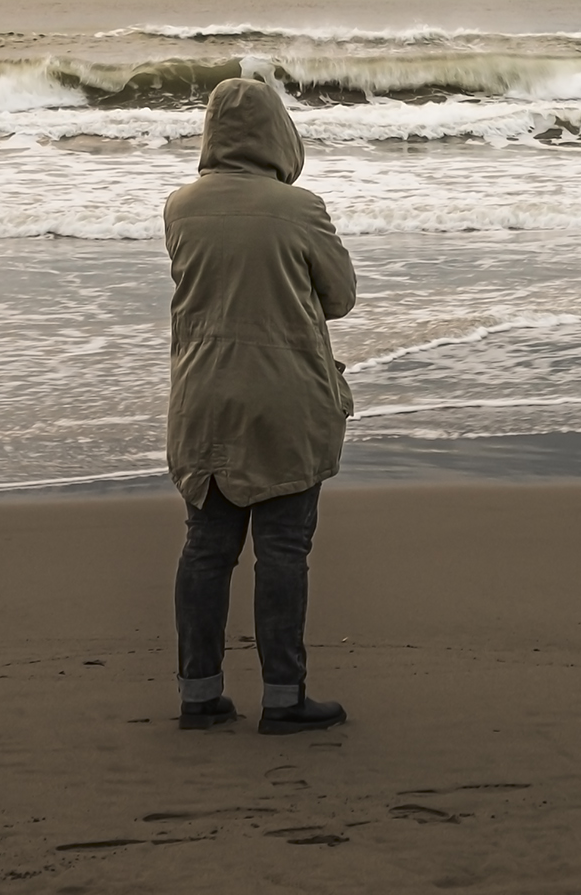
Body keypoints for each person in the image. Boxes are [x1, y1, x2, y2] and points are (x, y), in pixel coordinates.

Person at [163, 76, 357, 735]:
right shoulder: (299, 208)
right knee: (282, 552)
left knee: (206, 550)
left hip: (204, 397)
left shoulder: (180, 207)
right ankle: (283, 697)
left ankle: (199, 692)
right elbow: (340, 297)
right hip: (285, 400)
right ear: (279, 130)